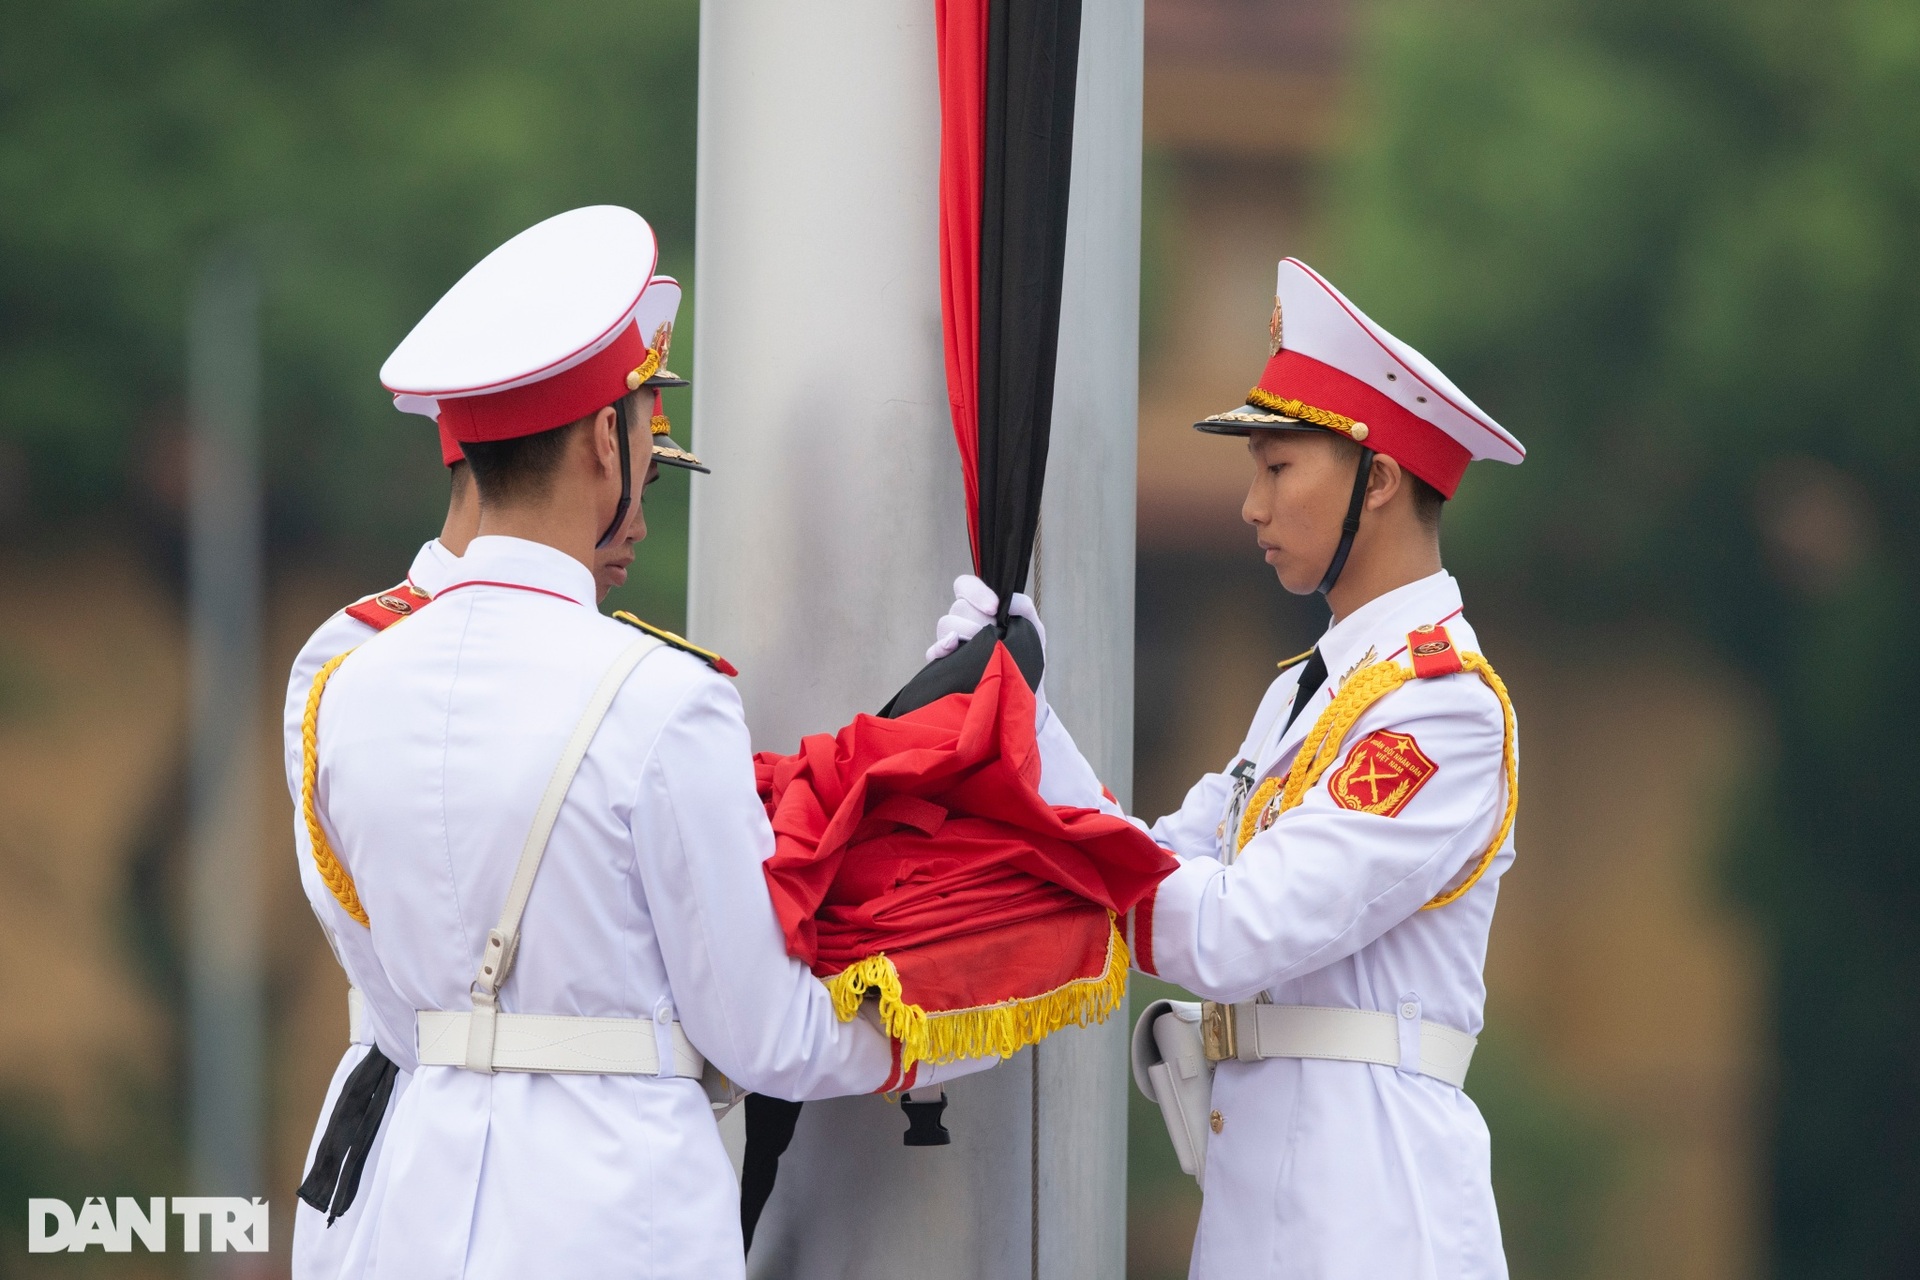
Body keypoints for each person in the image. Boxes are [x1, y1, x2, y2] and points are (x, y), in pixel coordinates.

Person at [294, 206, 980, 1280]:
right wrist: (967, 1007)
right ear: (597, 441)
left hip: (407, 1208)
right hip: (609, 1217)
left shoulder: (345, 683)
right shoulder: (660, 699)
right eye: (648, 447)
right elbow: (764, 1033)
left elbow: (383, 986)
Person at [933, 258, 1526, 1278]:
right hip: (1272, 1206)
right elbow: (1162, 853)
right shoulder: (1311, 686)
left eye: (1277, 468)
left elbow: (1233, 927)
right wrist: (1025, 723)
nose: (1250, 505)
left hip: (1371, 1216)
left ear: (1376, 479)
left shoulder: (1439, 708)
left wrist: (1027, 741)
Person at [287, 291, 674, 1275]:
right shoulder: (353, 658)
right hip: (433, 1137)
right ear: (590, 449)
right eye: (640, 463)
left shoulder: (632, 673)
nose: (640, 517)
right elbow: (394, 970)